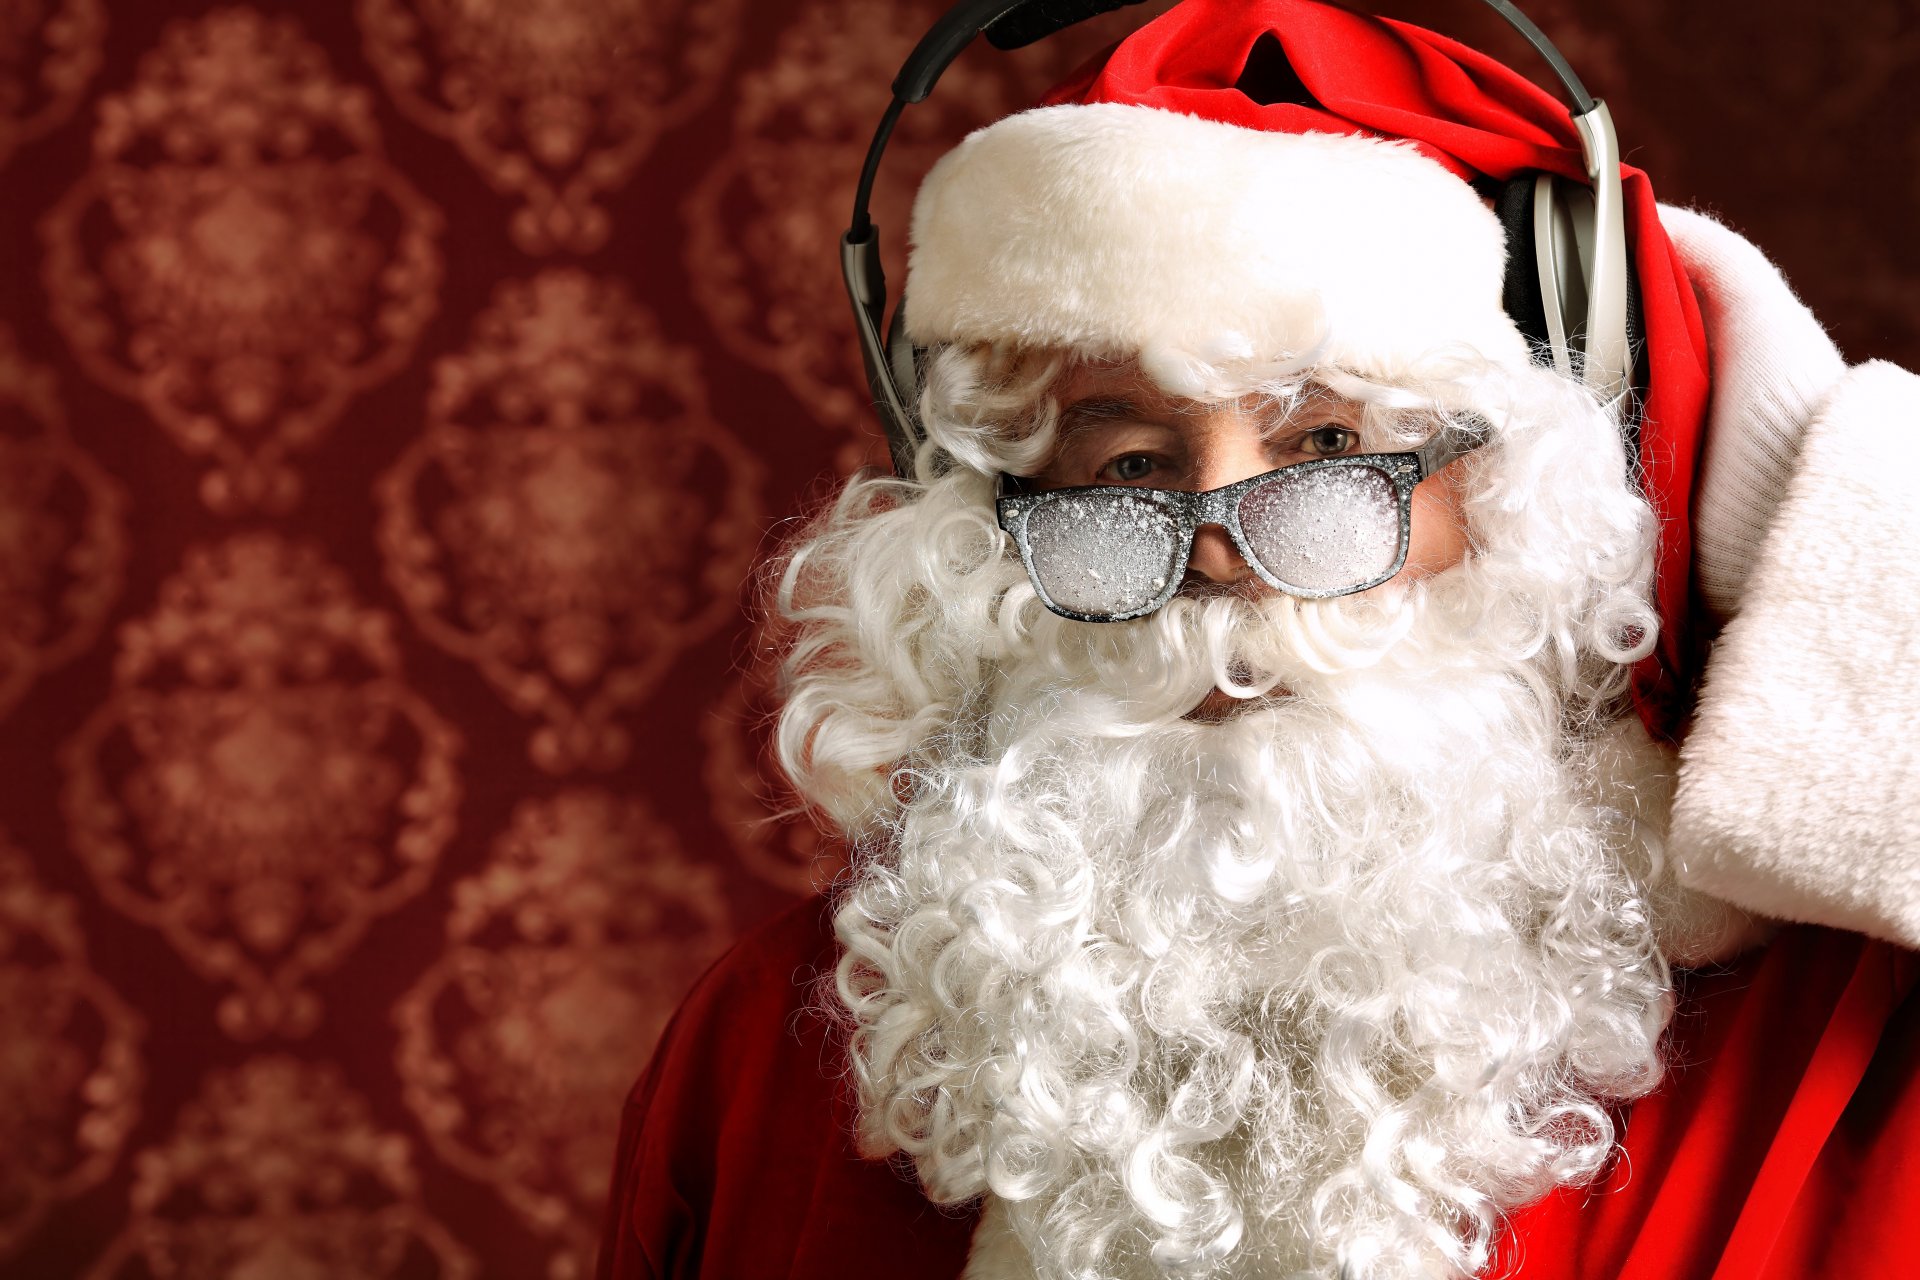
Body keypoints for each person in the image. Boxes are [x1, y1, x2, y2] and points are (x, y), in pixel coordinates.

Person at [599, 2, 1920, 1277]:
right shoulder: (757, 1063)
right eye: (1125, 465)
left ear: (1522, 498)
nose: (1219, 554)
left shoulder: (1848, 1064)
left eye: (1330, 445)